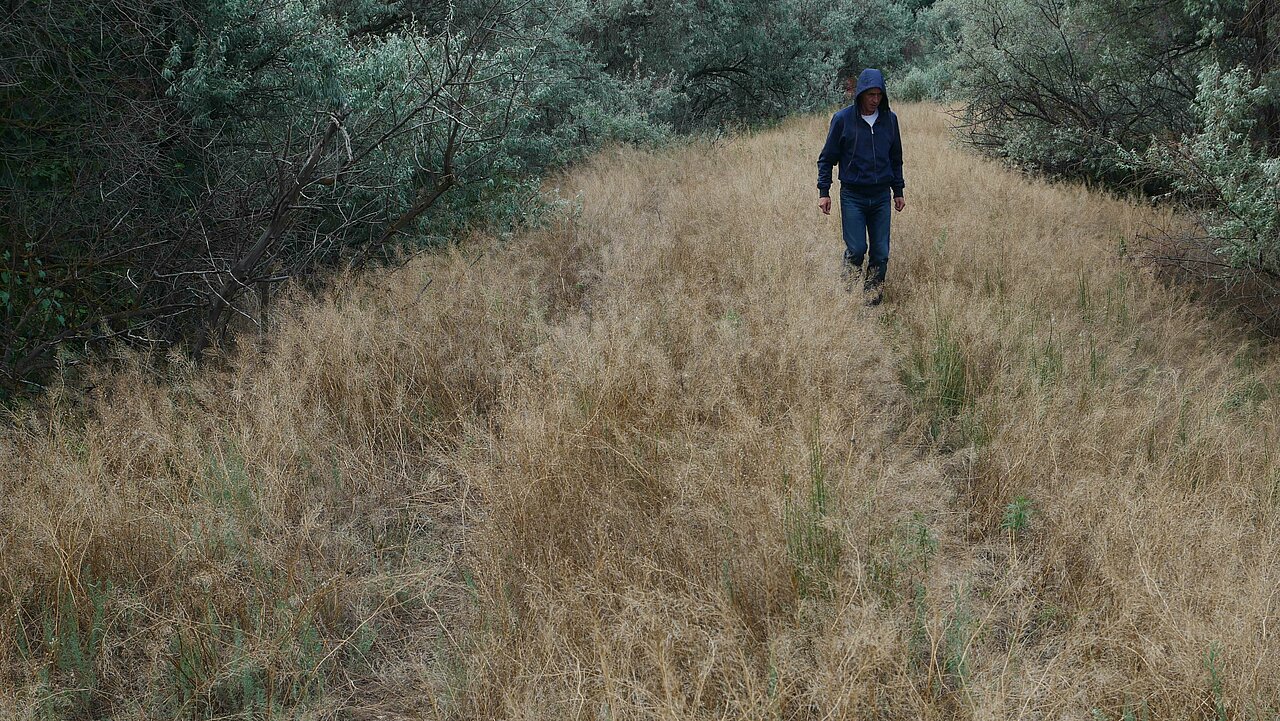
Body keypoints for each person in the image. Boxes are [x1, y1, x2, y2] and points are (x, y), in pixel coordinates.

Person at [816, 68, 906, 304]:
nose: (875, 100)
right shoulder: (842, 119)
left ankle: (872, 301)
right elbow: (826, 158)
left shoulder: (890, 120)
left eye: (879, 95)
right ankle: (847, 296)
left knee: (881, 253)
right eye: (870, 95)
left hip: (880, 196)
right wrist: (824, 192)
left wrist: (898, 191)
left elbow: (896, 157)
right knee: (856, 250)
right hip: (853, 196)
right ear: (860, 94)